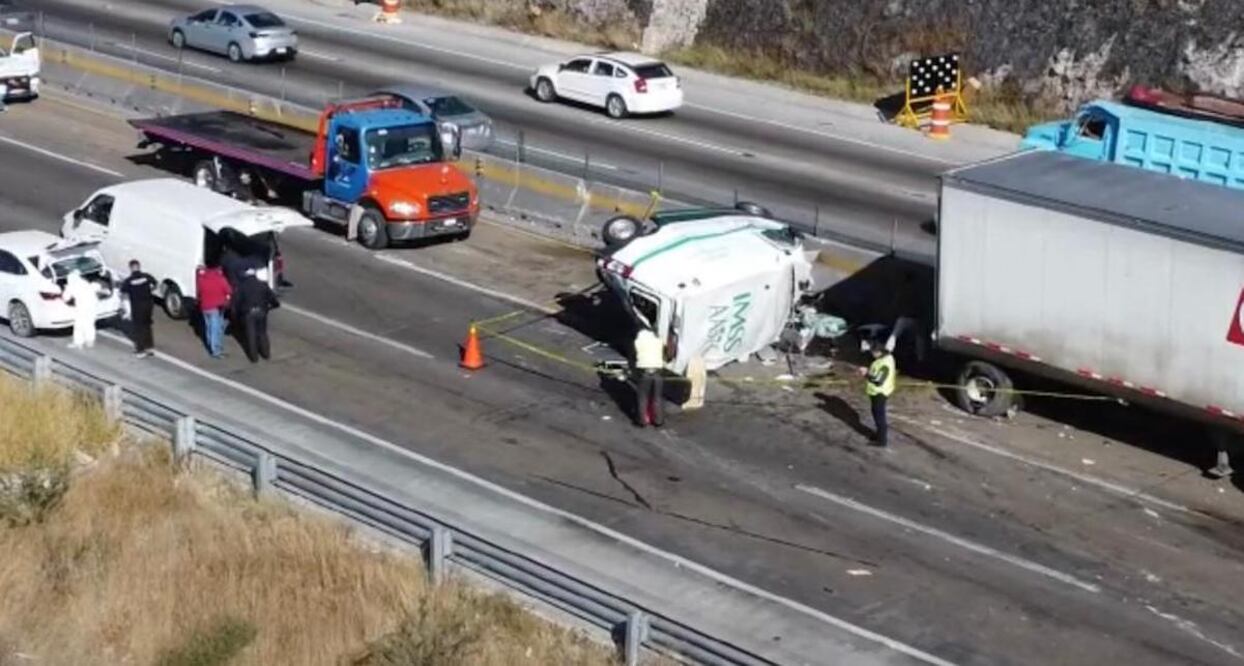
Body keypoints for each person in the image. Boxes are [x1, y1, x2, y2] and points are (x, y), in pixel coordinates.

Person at [235, 268, 280, 363]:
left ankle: (254, 357)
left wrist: (237, 312)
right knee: (262, 333)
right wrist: (269, 307)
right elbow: (274, 300)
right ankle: (266, 353)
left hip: (248, 313)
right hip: (262, 311)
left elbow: (237, 302)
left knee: (251, 334)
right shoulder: (262, 285)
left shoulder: (242, 287)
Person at [862, 341, 897, 447]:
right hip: (880, 391)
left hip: (879, 392)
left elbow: (878, 380)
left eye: (873, 352)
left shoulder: (884, 363)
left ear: (879, 352)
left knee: (879, 416)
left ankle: (881, 441)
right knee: (876, 414)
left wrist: (866, 374)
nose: (872, 354)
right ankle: (879, 435)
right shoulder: (887, 358)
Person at [120, 260, 157, 358]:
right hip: (148, 305)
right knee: (147, 326)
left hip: (137, 306)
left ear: (131, 268)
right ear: (139, 266)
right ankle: (149, 348)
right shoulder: (147, 276)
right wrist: (148, 291)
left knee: (138, 328)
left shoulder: (129, 281)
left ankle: (141, 350)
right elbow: (155, 283)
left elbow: (123, 292)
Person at [195, 264, 232, 359]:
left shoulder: (202, 279)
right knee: (216, 329)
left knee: (209, 327)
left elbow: (199, 292)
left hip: (204, 307)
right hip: (216, 308)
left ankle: (210, 344)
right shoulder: (220, 279)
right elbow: (229, 291)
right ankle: (216, 350)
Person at [632, 325, 665, 428]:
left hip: (644, 371)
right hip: (657, 370)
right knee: (657, 396)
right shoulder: (658, 340)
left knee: (643, 397)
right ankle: (658, 420)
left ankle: (642, 421)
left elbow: (635, 355)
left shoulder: (638, 341)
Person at [62, 270, 100, 349]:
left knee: (79, 325)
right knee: (89, 323)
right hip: (92, 305)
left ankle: (78, 343)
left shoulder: (70, 286)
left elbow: (65, 298)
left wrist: (65, 289)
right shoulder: (84, 283)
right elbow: (96, 287)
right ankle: (90, 341)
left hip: (82, 307)